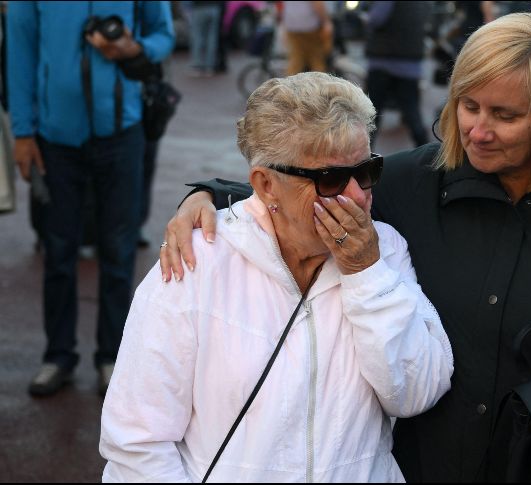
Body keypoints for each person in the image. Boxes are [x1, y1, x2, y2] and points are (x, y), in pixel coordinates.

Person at [159, 13, 531, 481]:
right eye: (468, 105)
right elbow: (307, 191)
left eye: (504, 115)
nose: (478, 130)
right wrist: (211, 196)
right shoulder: (412, 183)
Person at [99, 71, 454, 482]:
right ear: (266, 184)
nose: (358, 195)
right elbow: (137, 442)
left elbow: (416, 393)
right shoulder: (195, 263)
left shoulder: (384, 250)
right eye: (331, 178)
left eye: (367, 170)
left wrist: (367, 276)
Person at [6, 1, 175, 396]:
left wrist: (136, 50)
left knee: (118, 249)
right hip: (53, 139)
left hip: (123, 133)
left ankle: (112, 356)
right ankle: (58, 355)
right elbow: (20, 52)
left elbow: (163, 35)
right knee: (58, 251)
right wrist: (23, 131)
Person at [363, 1, 431, 149]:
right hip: (410, 63)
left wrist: (366, 18)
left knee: (371, 114)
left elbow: (376, 19)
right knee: (413, 114)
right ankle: (430, 158)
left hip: (383, 59)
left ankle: (362, 161)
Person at [281, 1, 333, 75]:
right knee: (316, 60)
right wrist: (326, 21)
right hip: (309, 26)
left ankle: (289, 83)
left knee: (296, 60)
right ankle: (318, 84)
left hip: (291, 25)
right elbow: (318, 5)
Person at [187, 0, 221, 77]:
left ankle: (197, 66)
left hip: (200, 7)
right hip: (214, 7)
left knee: (197, 37)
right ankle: (209, 67)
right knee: (212, 39)